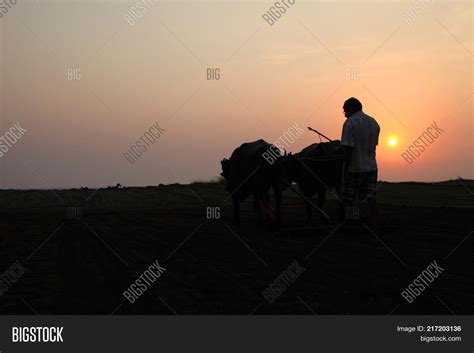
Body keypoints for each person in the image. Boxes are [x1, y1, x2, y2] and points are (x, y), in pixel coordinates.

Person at [339, 98, 380, 226]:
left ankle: (351, 222)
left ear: (352, 108)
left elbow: (348, 148)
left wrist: (345, 167)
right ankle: (375, 223)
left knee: (349, 198)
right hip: (372, 167)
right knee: (370, 197)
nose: (344, 113)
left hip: (354, 168)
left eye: (345, 110)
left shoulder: (349, 123)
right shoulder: (374, 122)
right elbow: (373, 146)